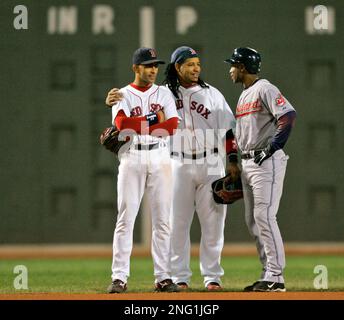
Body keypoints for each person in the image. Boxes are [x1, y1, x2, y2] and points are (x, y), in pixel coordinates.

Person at [106, 46, 239, 291]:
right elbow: (125, 121)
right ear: (177, 67)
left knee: (213, 225)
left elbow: (227, 129)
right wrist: (118, 106)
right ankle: (179, 277)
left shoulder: (212, 94)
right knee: (176, 224)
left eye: (198, 64)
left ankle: (212, 277)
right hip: (176, 160)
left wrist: (232, 160)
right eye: (190, 64)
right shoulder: (163, 92)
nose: (196, 68)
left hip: (209, 160)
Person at [106, 47, 179, 293]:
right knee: (125, 219)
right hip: (132, 156)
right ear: (136, 68)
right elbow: (122, 125)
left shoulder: (165, 93)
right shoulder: (121, 94)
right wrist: (152, 119)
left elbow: (172, 127)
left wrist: (143, 124)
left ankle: (163, 277)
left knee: (163, 221)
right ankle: (119, 278)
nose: (153, 70)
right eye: (148, 65)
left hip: (160, 156)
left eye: (155, 65)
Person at [224, 47, 296, 292]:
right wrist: (234, 161)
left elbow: (288, 116)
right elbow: (238, 135)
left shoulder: (265, 88)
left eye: (233, 65)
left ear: (243, 67)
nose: (230, 70)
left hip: (266, 162)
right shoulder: (244, 95)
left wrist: (273, 147)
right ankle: (268, 272)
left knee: (264, 216)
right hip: (247, 163)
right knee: (253, 220)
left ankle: (277, 277)